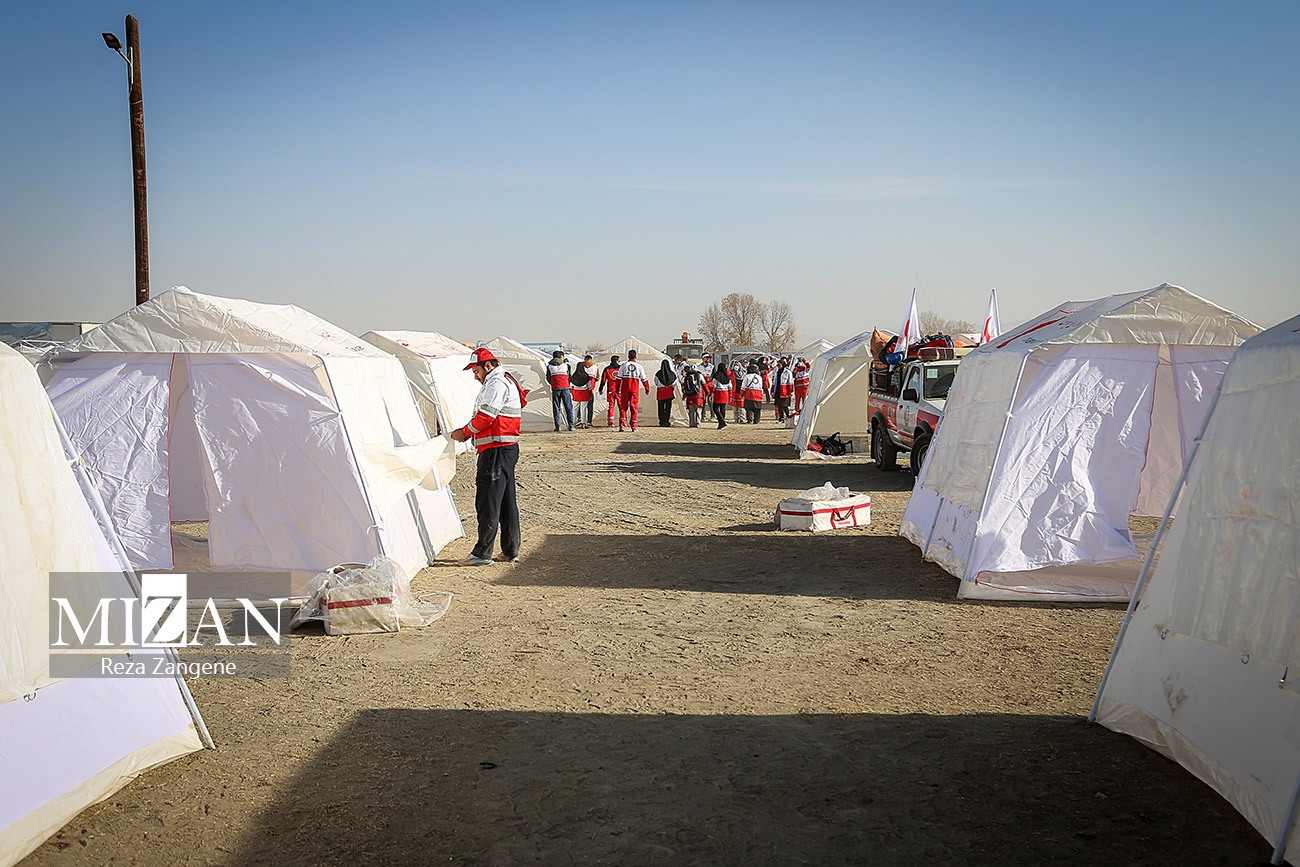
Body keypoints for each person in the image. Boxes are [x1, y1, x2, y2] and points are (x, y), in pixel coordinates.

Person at [450, 348, 522, 565]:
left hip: (495, 450)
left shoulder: (496, 383)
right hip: (505, 448)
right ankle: (510, 549)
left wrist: (465, 432)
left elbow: (486, 416)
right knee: (506, 503)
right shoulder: (504, 380)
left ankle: (482, 552)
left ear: (487, 366)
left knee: (488, 502)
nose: (475, 376)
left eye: (476, 371)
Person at [616, 349, 650, 431]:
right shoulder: (639, 366)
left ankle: (622, 425)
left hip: (625, 389)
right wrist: (647, 388)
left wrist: (617, 389)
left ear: (628, 356)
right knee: (634, 408)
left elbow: (618, 379)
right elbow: (644, 379)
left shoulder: (623, 365)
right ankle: (634, 426)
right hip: (634, 389)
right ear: (635, 357)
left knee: (623, 407)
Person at [546, 350, 574, 432]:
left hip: (555, 388)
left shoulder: (549, 366)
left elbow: (548, 378)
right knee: (568, 407)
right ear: (561, 357)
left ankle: (558, 426)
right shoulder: (566, 366)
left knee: (556, 407)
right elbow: (569, 377)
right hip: (565, 387)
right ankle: (571, 426)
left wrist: (553, 384)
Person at [570, 354, 597, 428]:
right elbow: (589, 387)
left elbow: (570, 386)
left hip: (575, 394)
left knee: (574, 409)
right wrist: (590, 393)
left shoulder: (573, 377)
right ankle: (583, 423)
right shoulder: (586, 376)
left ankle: (573, 423)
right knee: (583, 408)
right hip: (584, 394)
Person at [598, 355, 621, 427]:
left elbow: (603, 380)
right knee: (621, 406)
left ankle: (611, 422)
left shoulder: (607, 369)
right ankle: (622, 421)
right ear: (617, 361)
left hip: (610, 390)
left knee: (611, 406)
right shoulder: (620, 368)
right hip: (619, 390)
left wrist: (600, 389)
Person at [653, 359, 677, 427]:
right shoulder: (672, 374)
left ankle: (661, 421)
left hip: (660, 392)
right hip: (669, 392)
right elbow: (674, 383)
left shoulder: (658, 374)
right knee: (668, 408)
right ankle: (666, 421)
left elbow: (656, 382)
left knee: (660, 408)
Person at [680, 363, 705, 427]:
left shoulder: (687, 377)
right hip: (698, 395)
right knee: (698, 410)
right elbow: (704, 384)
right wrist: (707, 393)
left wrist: (684, 396)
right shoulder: (699, 375)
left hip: (690, 396)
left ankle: (691, 423)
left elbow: (686, 387)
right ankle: (698, 423)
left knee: (691, 411)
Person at [710, 363, 731, 429]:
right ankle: (722, 422)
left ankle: (722, 422)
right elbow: (730, 387)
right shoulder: (727, 376)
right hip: (725, 393)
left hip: (718, 394)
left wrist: (711, 393)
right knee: (723, 408)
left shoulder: (716, 376)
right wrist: (730, 395)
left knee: (715, 409)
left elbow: (713, 386)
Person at [773, 357, 794, 422]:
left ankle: (788, 416)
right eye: (777, 365)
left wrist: (791, 391)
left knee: (784, 405)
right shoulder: (777, 372)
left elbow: (790, 382)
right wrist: (773, 390)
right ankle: (781, 418)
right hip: (778, 390)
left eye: (779, 365)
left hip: (785, 391)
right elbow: (775, 382)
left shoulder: (788, 372)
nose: (778, 366)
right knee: (779, 405)